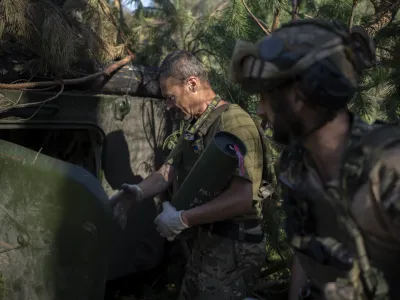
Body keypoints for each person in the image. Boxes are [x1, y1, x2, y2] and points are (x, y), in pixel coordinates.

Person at [229, 19, 400, 300]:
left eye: (266, 96)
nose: (259, 110)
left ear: (299, 96)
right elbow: (307, 256)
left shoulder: (389, 166)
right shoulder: (297, 165)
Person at [112, 50, 270, 300]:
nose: (168, 105)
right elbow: (168, 170)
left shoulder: (234, 124)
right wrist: (138, 192)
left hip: (234, 247)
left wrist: (184, 218)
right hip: (207, 241)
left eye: (170, 97)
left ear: (192, 84)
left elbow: (243, 197)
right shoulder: (197, 125)